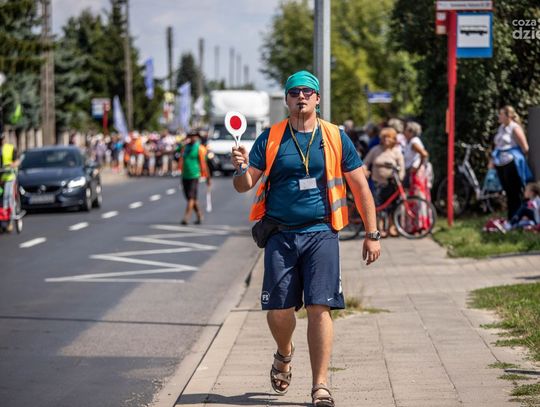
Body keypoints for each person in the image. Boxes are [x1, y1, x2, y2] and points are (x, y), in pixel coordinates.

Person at [231, 70, 380, 406]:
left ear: (317, 99)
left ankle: (320, 385)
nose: (301, 97)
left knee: (319, 307)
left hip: (321, 233)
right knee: (279, 311)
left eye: (307, 92)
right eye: (294, 92)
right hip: (281, 235)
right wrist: (240, 169)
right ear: (286, 99)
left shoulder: (335, 137)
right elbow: (245, 184)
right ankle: (284, 352)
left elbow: (360, 186)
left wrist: (372, 234)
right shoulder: (271, 137)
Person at [362, 127, 405, 237]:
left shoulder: (396, 151)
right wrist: (365, 170)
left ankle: (391, 227)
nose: (386, 139)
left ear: (393, 139)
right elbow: (365, 162)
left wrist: (400, 177)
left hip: (392, 183)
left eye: (389, 137)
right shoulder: (375, 150)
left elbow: (402, 166)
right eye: (384, 137)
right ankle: (380, 228)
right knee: (378, 206)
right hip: (377, 182)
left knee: (392, 206)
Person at [491, 105, 533, 219]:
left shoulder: (515, 128)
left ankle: (518, 216)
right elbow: (498, 145)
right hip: (501, 162)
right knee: (508, 191)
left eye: (501, 114)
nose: (499, 116)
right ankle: (511, 217)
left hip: (511, 162)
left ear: (508, 116)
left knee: (515, 190)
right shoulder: (501, 128)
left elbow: (525, 148)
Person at [178, 130, 210, 225]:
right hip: (185, 174)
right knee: (190, 197)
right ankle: (199, 215)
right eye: (190, 136)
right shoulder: (185, 147)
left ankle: (186, 217)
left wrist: (208, 177)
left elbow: (204, 164)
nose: (192, 138)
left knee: (191, 197)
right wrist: (182, 142)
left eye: (194, 136)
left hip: (194, 175)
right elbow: (176, 150)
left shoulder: (200, 148)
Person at [0, 133, 19, 230]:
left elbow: (17, 161)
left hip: (9, 177)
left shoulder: (10, 148)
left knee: (7, 197)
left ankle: (9, 221)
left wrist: (12, 165)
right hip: (1, 178)